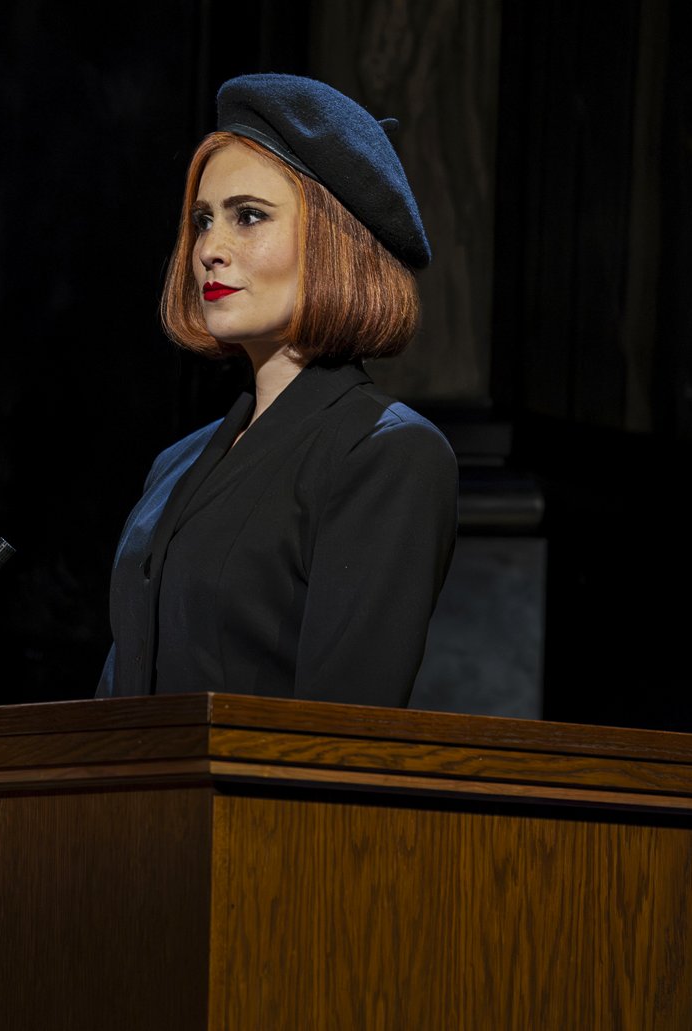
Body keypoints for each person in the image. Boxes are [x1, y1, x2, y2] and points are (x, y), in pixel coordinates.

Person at [96, 73, 458, 707]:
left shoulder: (385, 454)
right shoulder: (175, 464)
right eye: (204, 220)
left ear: (331, 244)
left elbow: (343, 726)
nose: (209, 248)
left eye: (249, 216)